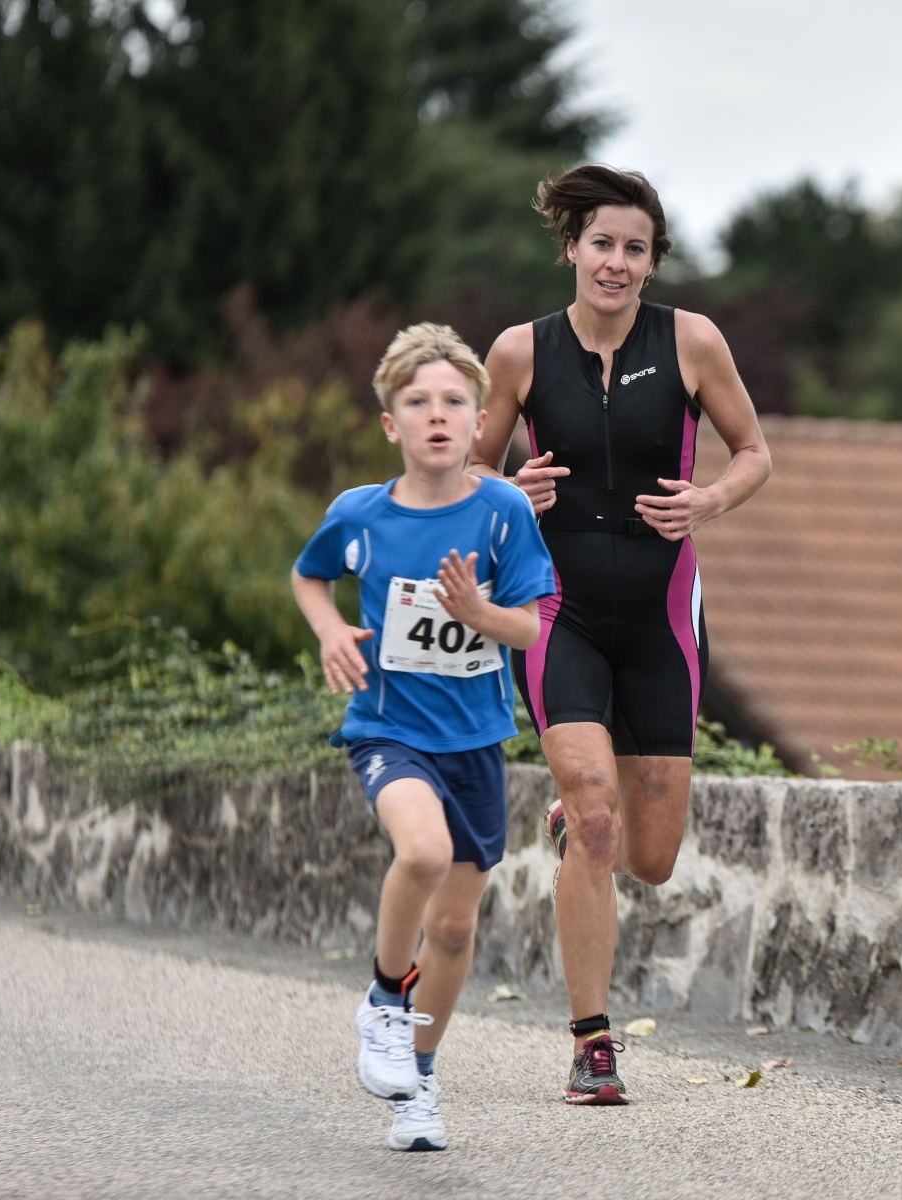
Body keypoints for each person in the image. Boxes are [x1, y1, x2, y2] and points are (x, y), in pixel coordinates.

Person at [472, 164, 771, 1105]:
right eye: (600, 242)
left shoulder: (691, 342)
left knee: (649, 855)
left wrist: (710, 499)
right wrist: (506, 493)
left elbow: (755, 451)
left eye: (633, 249)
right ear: (570, 247)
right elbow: (461, 475)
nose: (615, 262)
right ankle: (592, 1042)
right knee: (598, 818)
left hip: (659, 617)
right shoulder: (519, 353)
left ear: (652, 262)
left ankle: (575, 824)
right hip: (555, 609)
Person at [292, 323, 556, 1150]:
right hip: (387, 729)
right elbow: (309, 574)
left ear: (481, 422)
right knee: (422, 853)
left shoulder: (503, 511)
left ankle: (419, 1083)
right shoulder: (358, 514)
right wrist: (331, 630)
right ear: (390, 425)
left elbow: (537, 624)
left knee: (452, 929)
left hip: (475, 739)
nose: (437, 416)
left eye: (454, 402)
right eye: (418, 402)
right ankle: (381, 1000)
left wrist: (481, 615)